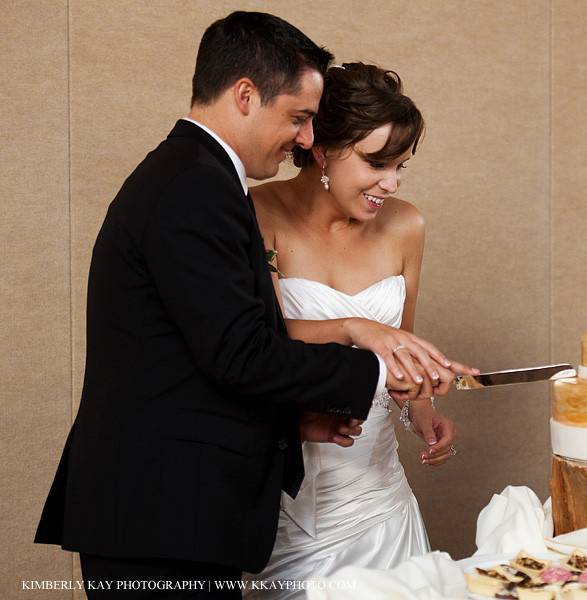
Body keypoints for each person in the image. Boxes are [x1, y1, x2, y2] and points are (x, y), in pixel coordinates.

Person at [34, 12, 473, 598]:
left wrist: (310, 417)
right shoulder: (197, 188)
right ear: (245, 96)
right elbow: (242, 353)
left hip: (183, 510)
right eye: (298, 118)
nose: (304, 138)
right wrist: (372, 355)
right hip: (159, 513)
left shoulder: (196, 177)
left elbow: (209, 350)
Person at [241, 63, 453, 596]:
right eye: (377, 163)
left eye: (401, 166)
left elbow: (400, 345)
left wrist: (421, 408)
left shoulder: (407, 224)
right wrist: (352, 327)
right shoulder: (258, 212)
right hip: (298, 498)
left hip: (384, 499)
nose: (392, 183)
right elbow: (254, 344)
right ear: (322, 148)